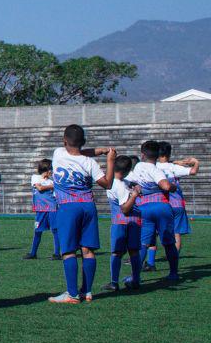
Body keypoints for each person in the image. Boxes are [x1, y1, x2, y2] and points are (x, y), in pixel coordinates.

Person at [48, 125, 115, 304]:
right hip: (88, 206)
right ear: (83, 142)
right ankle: (87, 291)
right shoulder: (90, 163)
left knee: (69, 250)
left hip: (68, 207)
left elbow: (76, 150)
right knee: (88, 250)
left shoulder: (58, 153)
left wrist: (96, 151)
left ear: (64, 140)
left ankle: (72, 294)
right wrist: (109, 160)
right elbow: (107, 184)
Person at [130, 140, 180, 283]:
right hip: (161, 206)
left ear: (142, 154)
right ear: (158, 155)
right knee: (169, 242)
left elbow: (132, 179)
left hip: (144, 207)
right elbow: (165, 185)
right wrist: (173, 187)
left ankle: (135, 277)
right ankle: (173, 273)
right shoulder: (156, 169)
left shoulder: (139, 166)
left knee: (143, 243)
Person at [103, 155, 142, 291]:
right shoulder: (120, 185)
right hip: (130, 221)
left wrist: (133, 186)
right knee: (133, 252)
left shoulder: (113, 181)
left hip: (119, 222)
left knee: (117, 252)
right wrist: (134, 196)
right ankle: (136, 280)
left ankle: (114, 282)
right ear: (127, 170)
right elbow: (125, 208)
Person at [156, 141, 198, 259]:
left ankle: (150, 260)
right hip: (177, 203)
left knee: (156, 230)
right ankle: (173, 257)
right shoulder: (174, 167)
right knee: (176, 232)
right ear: (169, 153)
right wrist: (196, 162)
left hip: (161, 203)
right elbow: (193, 171)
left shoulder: (154, 167)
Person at [24, 158, 60, 260]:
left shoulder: (51, 181)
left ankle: (57, 254)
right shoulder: (35, 177)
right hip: (40, 209)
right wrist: (51, 186)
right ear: (47, 169)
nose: (52, 172)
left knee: (55, 230)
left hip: (52, 208)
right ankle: (33, 253)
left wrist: (52, 185)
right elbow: (39, 188)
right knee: (37, 231)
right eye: (51, 169)